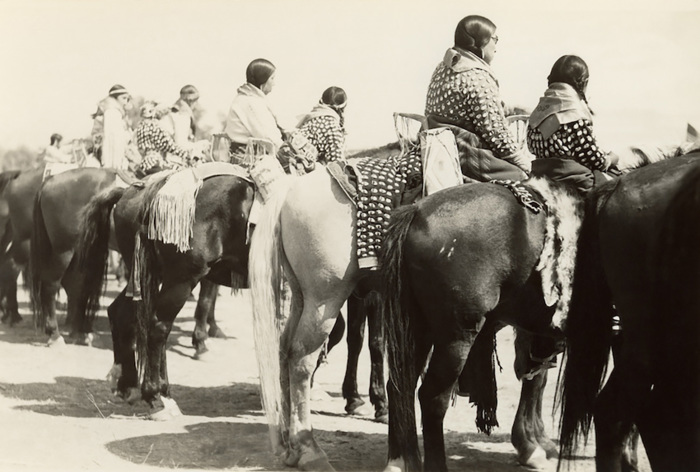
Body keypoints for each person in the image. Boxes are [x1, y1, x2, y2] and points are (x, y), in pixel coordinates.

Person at [425, 15, 531, 182]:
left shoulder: (444, 66)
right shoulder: (478, 76)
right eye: (494, 39)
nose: (496, 46)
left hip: (437, 147)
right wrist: (523, 162)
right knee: (522, 178)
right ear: (480, 41)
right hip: (464, 151)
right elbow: (495, 133)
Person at [527, 55, 619, 195]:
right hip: (572, 180)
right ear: (583, 82)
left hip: (539, 176)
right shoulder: (575, 113)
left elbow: (531, 147)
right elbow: (595, 160)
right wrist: (610, 159)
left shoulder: (537, 113)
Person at [224, 58, 291, 154]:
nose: (274, 83)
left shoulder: (249, 98)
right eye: (272, 78)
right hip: (248, 156)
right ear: (263, 80)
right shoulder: (250, 102)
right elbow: (268, 137)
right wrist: (287, 151)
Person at [135, 100, 193, 176]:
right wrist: (187, 155)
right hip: (155, 162)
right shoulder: (155, 127)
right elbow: (169, 146)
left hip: (145, 163)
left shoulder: (141, 126)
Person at [295, 86, 347, 165]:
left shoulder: (311, 117)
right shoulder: (331, 125)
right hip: (307, 170)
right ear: (341, 108)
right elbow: (337, 163)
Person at [90, 84, 133, 170]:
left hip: (109, 150)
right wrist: (114, 164)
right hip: (111, 154)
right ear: (115, 98)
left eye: (127, 99)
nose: (125, 102)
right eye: (123, 98)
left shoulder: (113, 110)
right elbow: (113, 139)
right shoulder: (112, 111)